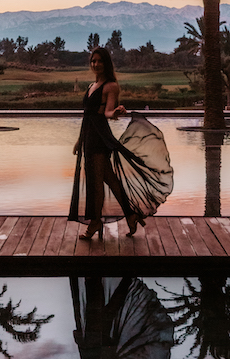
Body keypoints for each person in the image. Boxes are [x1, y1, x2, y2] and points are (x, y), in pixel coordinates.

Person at [69, 46, 173, 241]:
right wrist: (79, 141)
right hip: (89, 138)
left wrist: (115, 113)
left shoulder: (111, 86)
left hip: (99, 139)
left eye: (99, 61)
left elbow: (107, 112)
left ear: (106, 63)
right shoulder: (91, 85)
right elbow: (87, 118)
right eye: (93, 61)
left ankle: (95, 221)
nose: (96, 64)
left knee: (96, 184)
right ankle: (131, 215)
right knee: (111, 180)